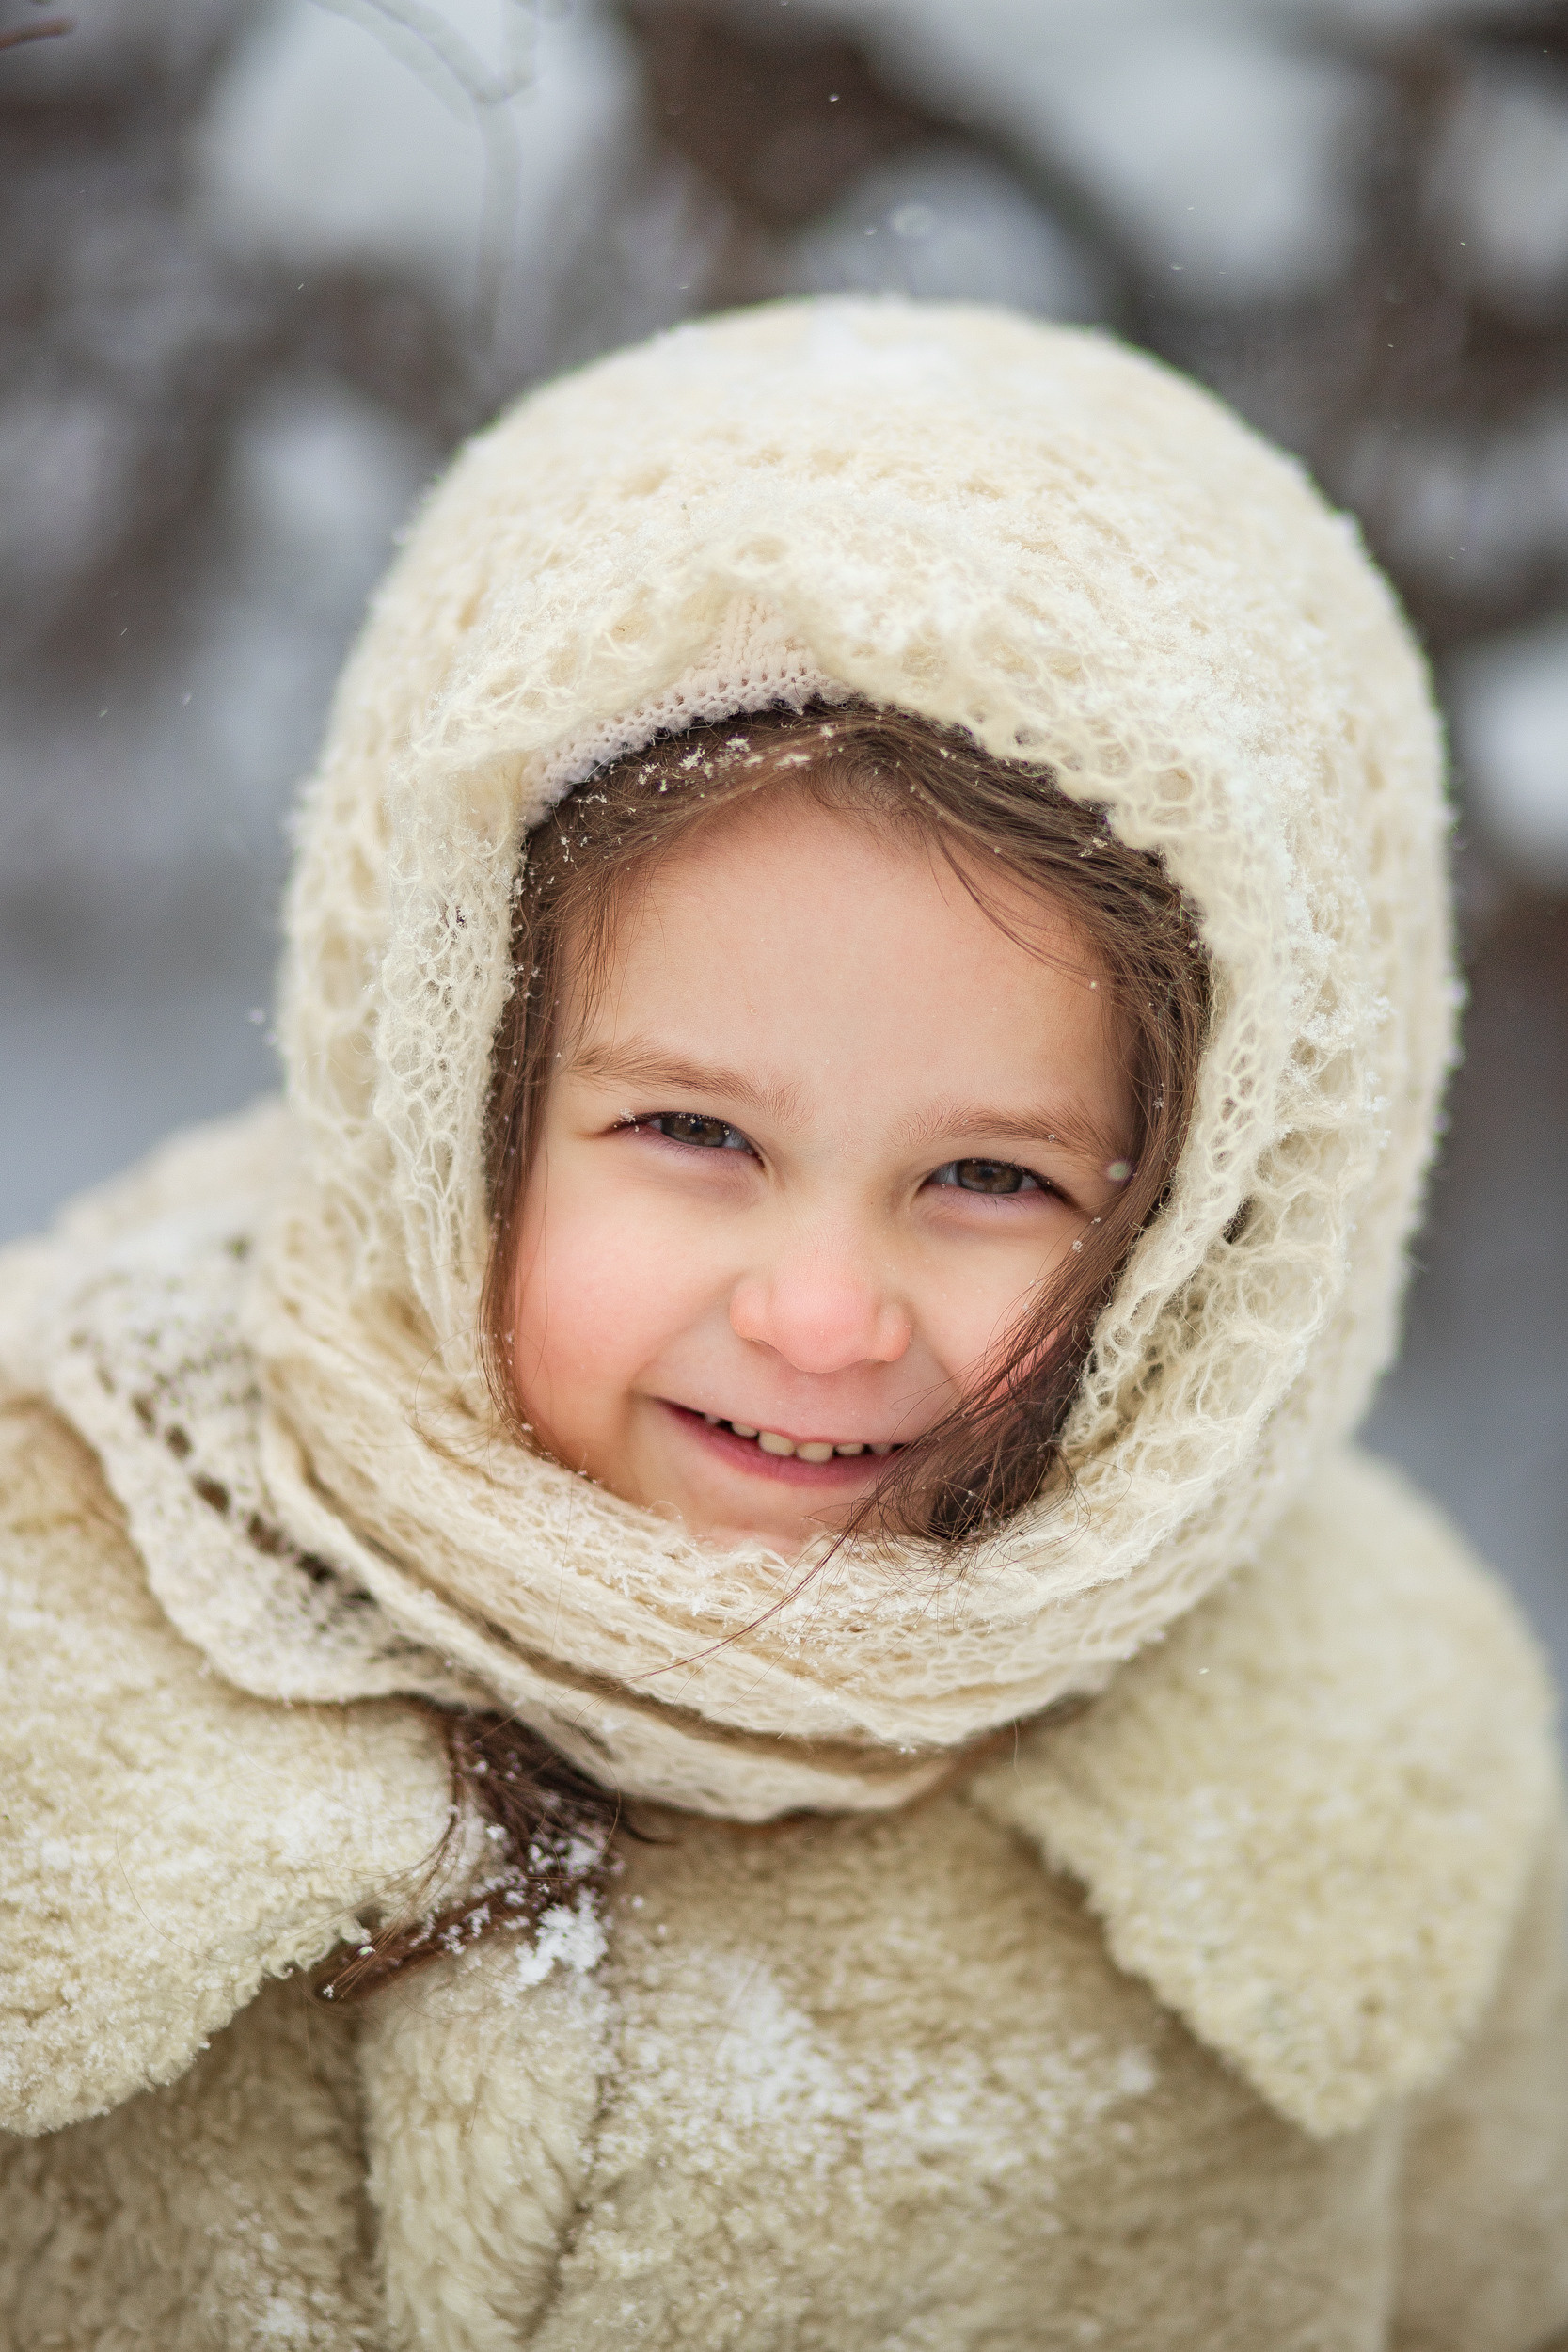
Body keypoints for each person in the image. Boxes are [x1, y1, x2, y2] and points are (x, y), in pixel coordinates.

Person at [3, 299, 1565, 2351]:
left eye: (993, 1177)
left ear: (1217, 1226)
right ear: (449, 1085)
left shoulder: (1373, 1774)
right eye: (689, 1129)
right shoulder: (52, 1613)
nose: (823, 1313)